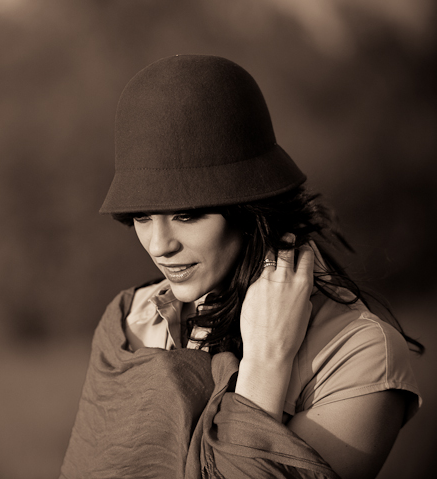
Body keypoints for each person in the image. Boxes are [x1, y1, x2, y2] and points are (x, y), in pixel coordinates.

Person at [60, 55, 422, 479]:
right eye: (141, 217)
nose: (160, 245)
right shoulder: (129, 321)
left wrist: (266, 363)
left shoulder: (357, 355)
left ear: (251, 209)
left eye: (188, 215)